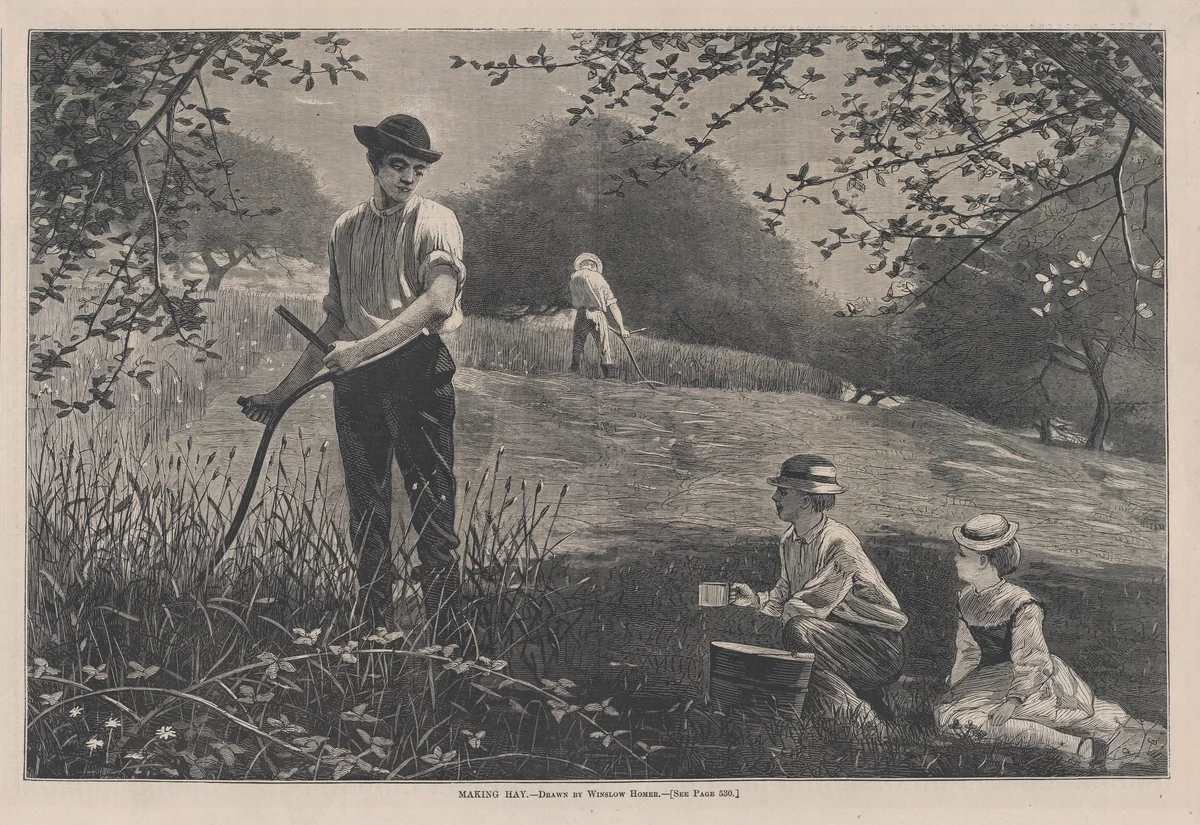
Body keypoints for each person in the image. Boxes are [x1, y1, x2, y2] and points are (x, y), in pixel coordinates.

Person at [240, 113, 466, 640]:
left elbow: (438, 302)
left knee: (432, 503)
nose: (408, 178)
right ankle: (371, 626)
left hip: (417, 369)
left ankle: (450, 629)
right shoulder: (346, 228)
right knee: (366, 506)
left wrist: (361, 349)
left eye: (417, 169)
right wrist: (282, 393)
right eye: (397, 165)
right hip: (357, 382)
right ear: (374, 164)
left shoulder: (435, 221)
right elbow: (335, 322)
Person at [934, 514, 1160, 769]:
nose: (955, 559)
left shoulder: (1020, 603)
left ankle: (1077, 747)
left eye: (962, 554)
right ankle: (1083, 741)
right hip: (988, 679)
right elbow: (967, 651)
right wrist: (957, 686)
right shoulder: (966, 598)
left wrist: (1012, 702)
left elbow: (1031, 658)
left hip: (1028, 682)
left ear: (983, 561)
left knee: (963, 721)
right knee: (949, 715)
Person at [729, 455, 909, 723]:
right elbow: (787, 591)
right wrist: (755, 600)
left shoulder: (839, 541)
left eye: (782, 491)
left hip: (879, 647)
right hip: (836, 638)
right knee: (803, 647)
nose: (774, 498)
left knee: (799, 631)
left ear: (805, 498)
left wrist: (788, 614)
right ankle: (867, 711)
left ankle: (859, 718)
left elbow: (814, 601)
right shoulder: (789, 540)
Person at [568, 252, 629, 379]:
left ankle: (573, 378)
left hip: (581, 315)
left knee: (578, 346)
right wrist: (622, 328)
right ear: (592, 264)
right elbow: (612, 304)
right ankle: (609, 379)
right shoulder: (598, 278)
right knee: (604, 349)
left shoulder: (574, 277)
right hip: (597, 314)